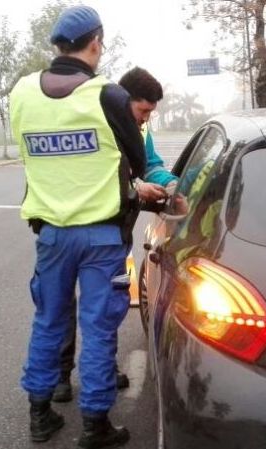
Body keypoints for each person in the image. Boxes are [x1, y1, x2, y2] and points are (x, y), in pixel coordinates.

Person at [10, 5, 166, 449]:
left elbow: (27, 152)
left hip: (52, 236)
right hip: (101, 237)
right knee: (98, 328)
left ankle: (40, 414)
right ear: (95, 43)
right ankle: (95, 425)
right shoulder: (109, 96)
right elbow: (138, 164)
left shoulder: (21, 93)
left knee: (48, 321)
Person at [52, 66, 183, 404]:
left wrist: (168, 182)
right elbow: (85, 176)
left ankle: (102, 371)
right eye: (142, 111)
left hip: (114, 233)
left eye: (150, 114)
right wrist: (133, 187)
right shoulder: (93, 126)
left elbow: (148, 162)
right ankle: (59, 377)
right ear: (124, 102)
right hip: (77, 230)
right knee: (62, 306)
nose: (144, 121)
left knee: (107, 307)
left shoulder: (139, 130)